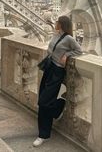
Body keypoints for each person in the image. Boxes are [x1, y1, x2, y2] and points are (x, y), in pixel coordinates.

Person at [33, 15, 82, 147]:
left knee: (44, 101)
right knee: (43, 100)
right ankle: (48, 124)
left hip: (57, 71)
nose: (55, 23)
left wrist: (67, 55)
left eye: (57, 22)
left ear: (62, 24)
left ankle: (58, 109)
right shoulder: (56, 34)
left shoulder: (69, 39)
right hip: (49, 68)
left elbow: (79, 50)